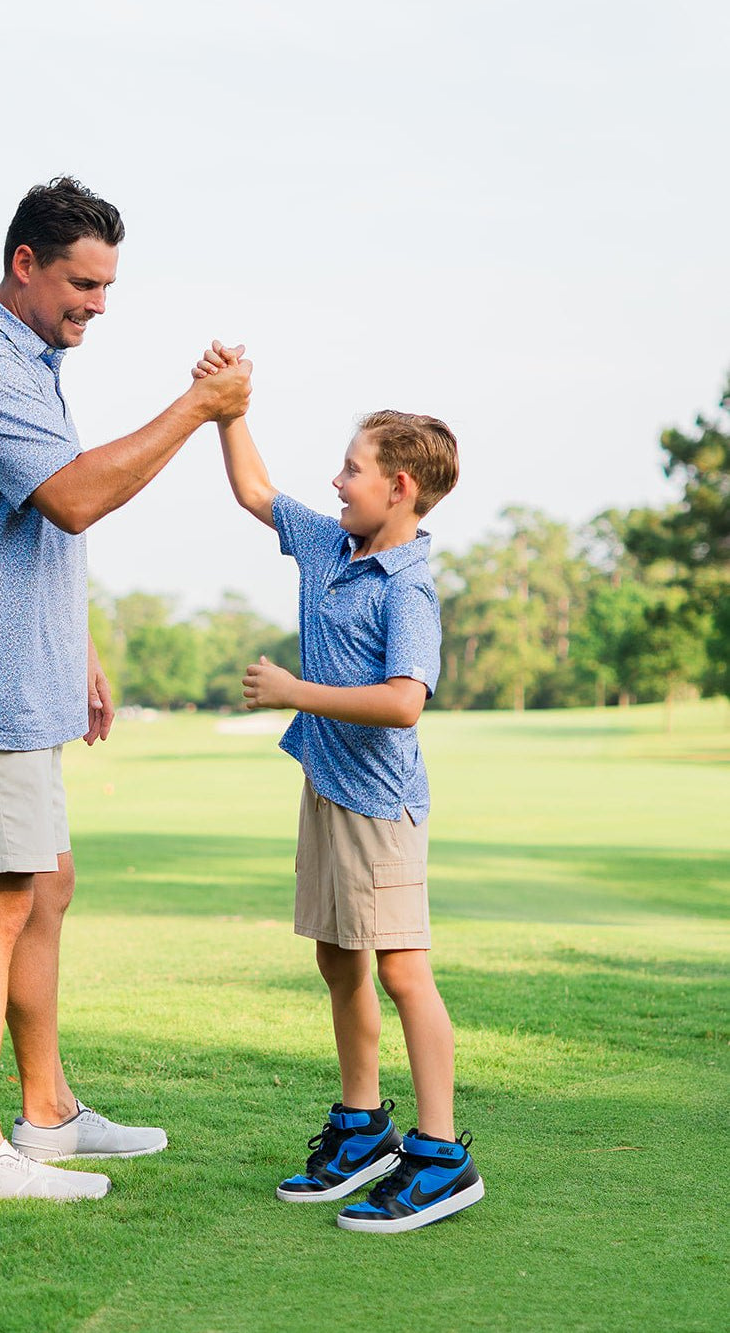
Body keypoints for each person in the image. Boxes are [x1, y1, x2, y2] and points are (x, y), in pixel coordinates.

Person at [0, 180, 251, 1203]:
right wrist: (197, 408)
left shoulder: (27, 361)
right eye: (83, 283)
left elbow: (29, 523)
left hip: (23, 671)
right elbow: (76, 495)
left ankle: (43, 1113)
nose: (97, 303)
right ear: (24, 265)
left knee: (43, 887)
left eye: (107, 285)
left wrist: (74, 643)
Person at [194, 341, 483, 1233]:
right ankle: (363, 1127)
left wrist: (293, 692)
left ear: (399, 485)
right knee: (335, 956)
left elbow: (404, 703)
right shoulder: (328, 543)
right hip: (326, 787)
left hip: (379, 806)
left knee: (402, 970)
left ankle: (440, 1155)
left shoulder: (410, 588)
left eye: (352, 468)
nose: (336, 479)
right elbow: (252, 491)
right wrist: (228, 405)